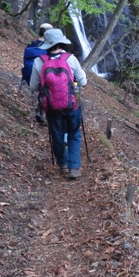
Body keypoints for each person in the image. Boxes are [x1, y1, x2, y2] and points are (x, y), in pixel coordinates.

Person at [29, 28, 87, 179]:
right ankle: (74, 167)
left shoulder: (39, 61)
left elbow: (33, 86)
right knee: (74, 133)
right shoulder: (71, 59)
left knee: (57, 134)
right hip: (71, 103)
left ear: (46, 44)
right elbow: (83, 82)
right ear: (61, 42)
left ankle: (63, 163)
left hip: (51, 106)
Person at [22, 23, 53, 123]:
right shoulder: (49, 50)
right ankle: (42, 108)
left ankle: (41, 106)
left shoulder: (30, 46)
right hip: (42, 82)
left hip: (28, 77)